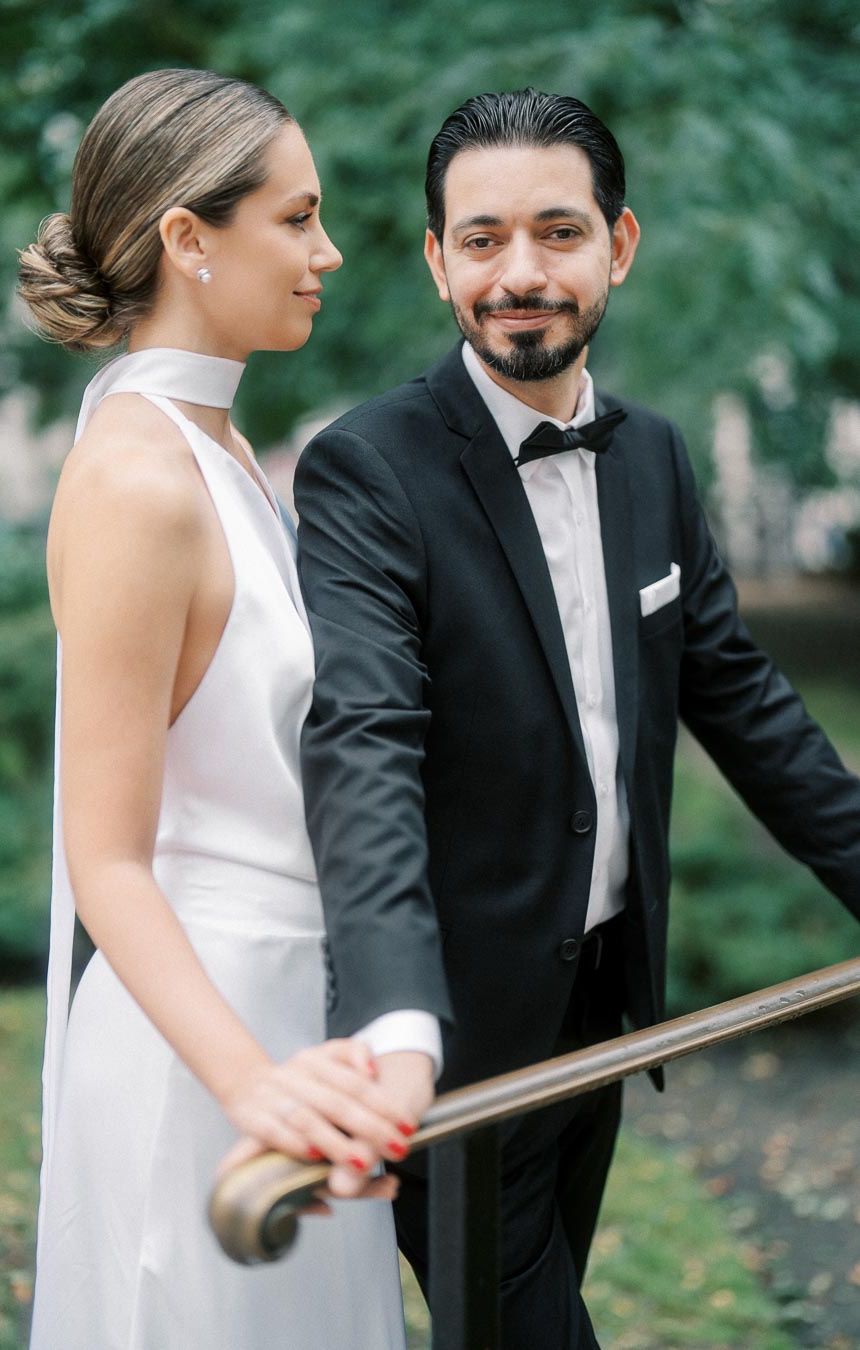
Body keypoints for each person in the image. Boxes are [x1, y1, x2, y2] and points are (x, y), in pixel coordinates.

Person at [293, 88, 860, 1348]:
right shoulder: (366, 469)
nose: (521, 273)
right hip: (447, 1038)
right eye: (483, 239)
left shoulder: (654, 455)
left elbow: (748, 705)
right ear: (438, 263)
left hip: (598, 1010)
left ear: (620, 244)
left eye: (558, 232)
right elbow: (364, 740)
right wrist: (395, 1016)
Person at [19, 68, 412, 1350]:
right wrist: (255, 1085)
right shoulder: (138, 479)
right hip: (210, 1054)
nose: (328, 252)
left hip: (303, 1030)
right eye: (296, 219)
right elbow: (107, 857)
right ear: (190, 239)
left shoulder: (221, 448)